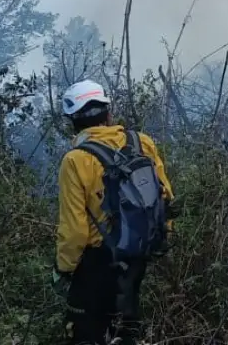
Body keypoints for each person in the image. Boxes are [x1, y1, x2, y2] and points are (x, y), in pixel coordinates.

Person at [53, 79, 177, 345]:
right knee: (126, 325)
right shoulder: (141, 142)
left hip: (97, 261)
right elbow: (165, 194)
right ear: (108, 114)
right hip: (138, 252)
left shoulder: (75, 160)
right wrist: (162, 235)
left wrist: (63, 269)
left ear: (72, 122)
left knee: (86, 332)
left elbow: (74, 230)